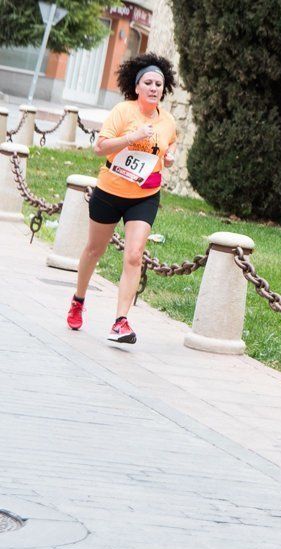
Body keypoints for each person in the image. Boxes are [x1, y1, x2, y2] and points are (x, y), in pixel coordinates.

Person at [66, 53, 178, 344]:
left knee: (134, 254)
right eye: (148, 83)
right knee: (94, 250)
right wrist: (132, 137)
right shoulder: (123, 111)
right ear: (137, 86)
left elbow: (169, 148)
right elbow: (100, 148)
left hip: (145, 195)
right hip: (110, 191)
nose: (154, 88)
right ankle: (78, 299)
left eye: (159, 84)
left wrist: (170, 158)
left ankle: (120, 322)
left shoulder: (168, 122)